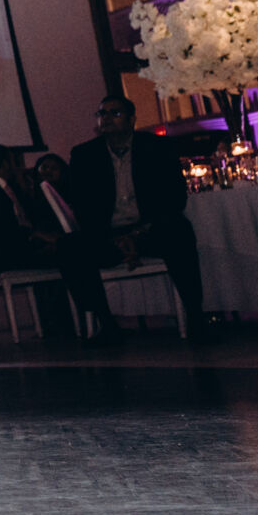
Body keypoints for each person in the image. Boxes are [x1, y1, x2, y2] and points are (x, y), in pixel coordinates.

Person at [65, 95, 209, 338]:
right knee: (70, 247)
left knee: (179, 229)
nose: (106, 118)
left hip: (149, 230)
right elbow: (82, 206)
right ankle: (106, 323)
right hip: (108, 236)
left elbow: (174, 198)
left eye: (115, 113)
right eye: (101, 113)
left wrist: (138, 233)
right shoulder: (84, 155)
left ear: (131, 119)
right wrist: (113, 237)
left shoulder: (158, 147)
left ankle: (196, 318)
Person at [0, 144, 120, 341]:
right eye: (14, 162)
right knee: (72, 251)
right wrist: (37, 237)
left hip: (8, 252)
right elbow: (0, 230)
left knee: (70, 249)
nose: (18, 167)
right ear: (5, 164)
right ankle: (92, 320)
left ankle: (91, 322)